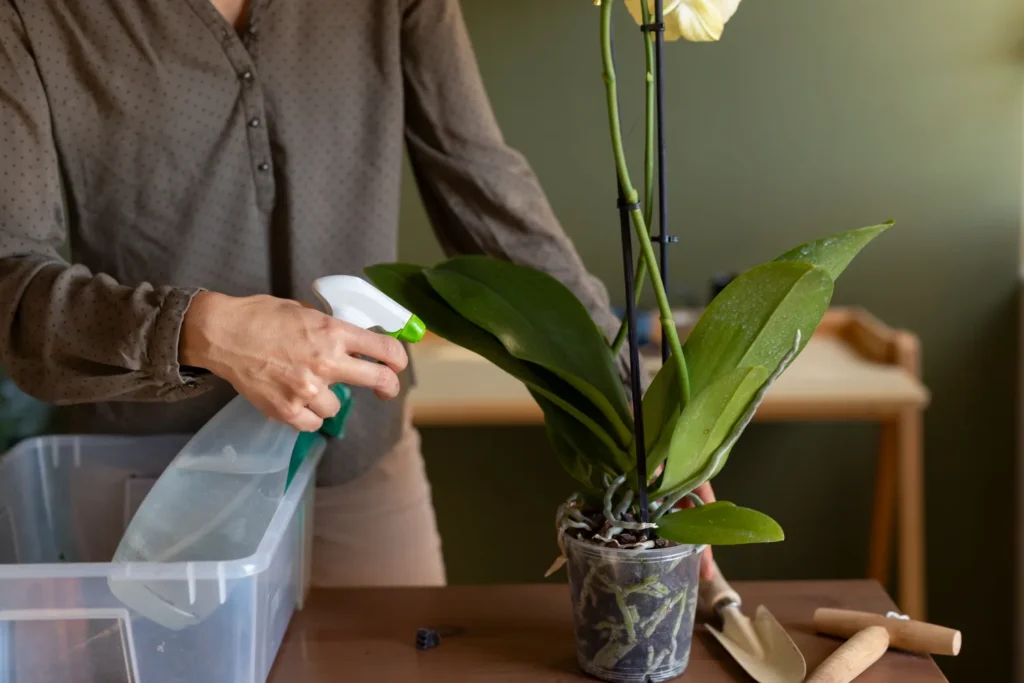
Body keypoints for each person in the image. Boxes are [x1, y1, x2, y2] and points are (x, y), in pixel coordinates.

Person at [0, 0, 713, 585]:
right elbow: (10, 286)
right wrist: (201, 330)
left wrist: (638, 417)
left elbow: (486, 195)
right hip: (149, 489)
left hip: (360, 470)